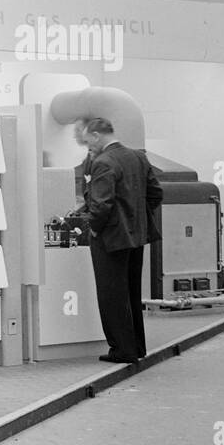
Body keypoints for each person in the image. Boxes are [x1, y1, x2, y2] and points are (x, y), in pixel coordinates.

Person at [67, 117, 163, 363]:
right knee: (131, 293)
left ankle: (121, 350)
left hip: (110, 239)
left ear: (97, 135)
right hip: (136, 236)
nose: (87, 146)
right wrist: (135, 218)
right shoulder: (138, 157)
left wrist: (96, 229)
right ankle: (137, 347)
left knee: (111, 295)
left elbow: (101, 205)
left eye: (87, 140)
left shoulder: (104, 162)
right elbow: (155, 193)